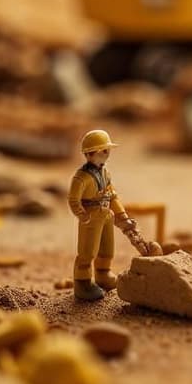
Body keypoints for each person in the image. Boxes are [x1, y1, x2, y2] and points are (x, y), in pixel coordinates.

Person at [68, 129, 138, 301]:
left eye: (107, 150)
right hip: (91, 217)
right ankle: (82, 283)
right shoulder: (81, 178)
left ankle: (103, 274)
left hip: (106, 214)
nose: (108, 154)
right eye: (104, 150)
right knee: (87, 252)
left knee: (107, 249)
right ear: (91, 153)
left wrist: (122, 216)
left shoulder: (105, 173)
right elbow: (73, 199)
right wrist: (82, 215)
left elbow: (112, 195)